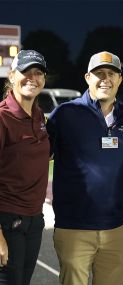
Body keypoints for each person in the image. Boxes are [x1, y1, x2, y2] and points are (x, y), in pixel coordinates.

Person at [46, 51, 123, 285]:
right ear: (87, 77)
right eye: (99, 74)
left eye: (112, 74)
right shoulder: (65, 114)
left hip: (116, 227)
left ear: (120, 80)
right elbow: (38, 156)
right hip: (74, 227)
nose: (106, 79)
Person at [0, 50, 49, 285]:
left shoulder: (40, 117)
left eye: (38, 72)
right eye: (26, 72)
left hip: (34, 219)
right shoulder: (2, 118)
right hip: (7, 220)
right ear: (11, 76)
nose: (33, 77)